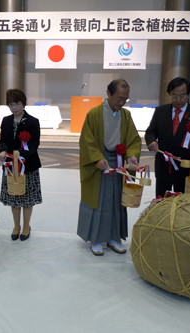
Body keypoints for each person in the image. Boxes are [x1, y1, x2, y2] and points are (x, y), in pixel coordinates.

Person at [77, 78, 141, 256]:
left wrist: (132, 156)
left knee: (116, 202)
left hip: (119, 163)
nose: (121, 103)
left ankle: (114, 238)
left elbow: (134, 139)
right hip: (100, 164)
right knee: (100, 201)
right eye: (118, 98)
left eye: (125, 99)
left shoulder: (126, 116)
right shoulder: (94, 114)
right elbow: (87, 141)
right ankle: (96, 239)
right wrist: (97, 158)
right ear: (108, 94)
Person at [145, 77, 190, 197]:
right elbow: (150, 132)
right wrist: (152, 141)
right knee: (162, 204)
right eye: (174, 96)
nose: (178, 100)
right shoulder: (160, 111)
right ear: (169, 94)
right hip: (164, 167)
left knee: (182, 205)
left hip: (185, 167)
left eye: (182, 96)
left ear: (188, 95)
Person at [0, 89, 42, 241]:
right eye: (10, 104)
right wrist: (2, 151)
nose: (14, 107)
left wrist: (21, 154)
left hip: (27, 166)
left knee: (27, 198)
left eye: (17, 104)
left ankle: (26, 226)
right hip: (10, 166)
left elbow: (34, 143)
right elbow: (2, 141)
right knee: (14, 197)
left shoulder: (32, 121)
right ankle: (16, 225)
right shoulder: (6, 120)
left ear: (23, 103)